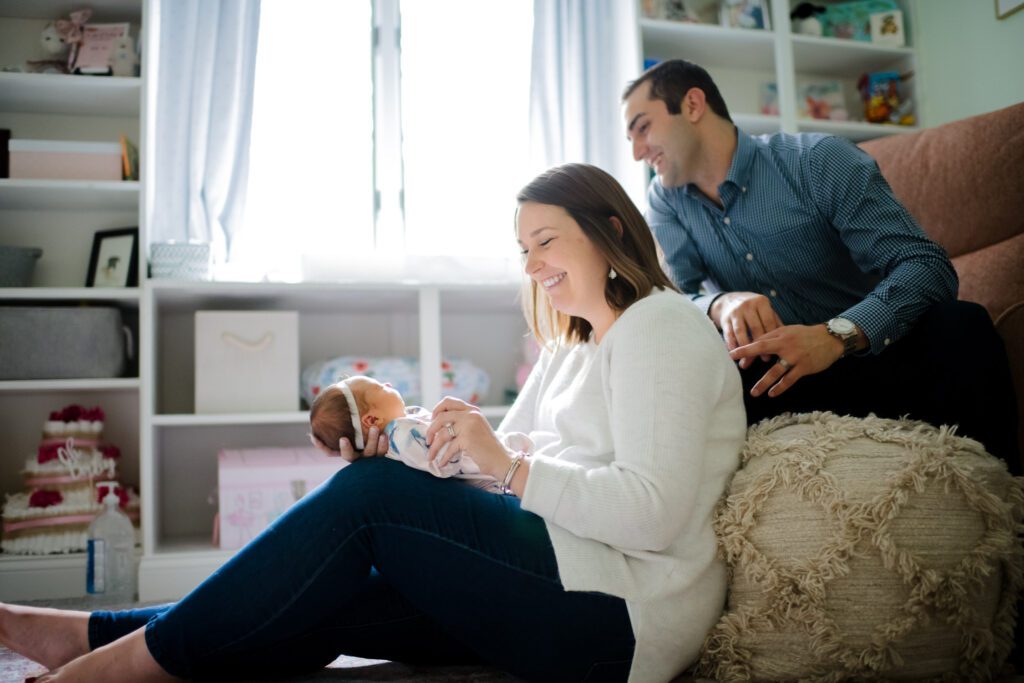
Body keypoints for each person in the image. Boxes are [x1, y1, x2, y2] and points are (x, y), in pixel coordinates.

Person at [0, 163, 747, 683]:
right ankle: (93, 631)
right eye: (523, 249)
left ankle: (124, 665)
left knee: (372, 501)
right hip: (558, 577)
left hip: (622, 621)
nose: (533, 265)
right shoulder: (571, 344)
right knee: (328, 587)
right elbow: (494, 468)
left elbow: (652, 512)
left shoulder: (663, 327)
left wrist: (506, 466)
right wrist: (422, 444)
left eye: (546, 240)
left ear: (610, 227)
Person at [621, 59, 1020, 474]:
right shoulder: (664, 202)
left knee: (964, 325)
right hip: (776, 384)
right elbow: (673, 300)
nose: (635, 152)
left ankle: (1005, 505)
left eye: (643, 127)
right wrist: (719, 303)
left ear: (692, 104)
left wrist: (835, 336)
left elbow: (928, 266)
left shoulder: (818, 161)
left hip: (873, 355)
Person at [309, 375, 510, 493]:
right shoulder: (401, 435)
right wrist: (452, 437)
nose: (387, 384)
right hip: (488, 483)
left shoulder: (404, 427)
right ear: (372, 420)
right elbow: (443, 464)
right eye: (380, 387)